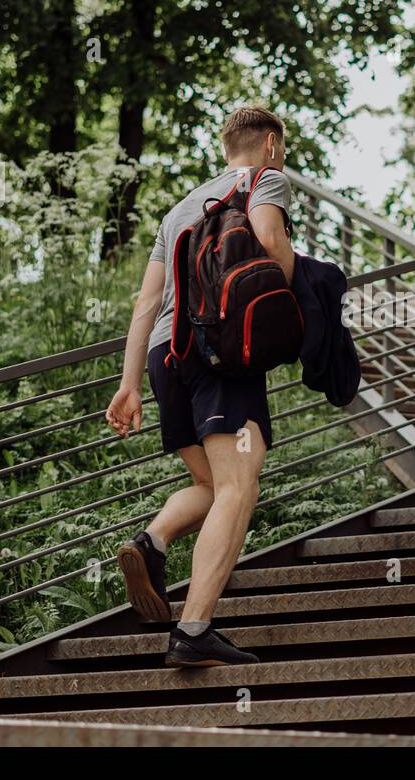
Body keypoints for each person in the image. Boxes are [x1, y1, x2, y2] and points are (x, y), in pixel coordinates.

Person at [104, 105, 294, 667]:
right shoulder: (266, 180)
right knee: (241, 484)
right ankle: (193, 631)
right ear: (271, 143)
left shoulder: (178, 210)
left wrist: (129, 384)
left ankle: (152, 542)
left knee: (213, 483)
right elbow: (266, 236)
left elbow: (146, 302)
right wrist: (291, 294)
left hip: (168, 355)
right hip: (218, 352)